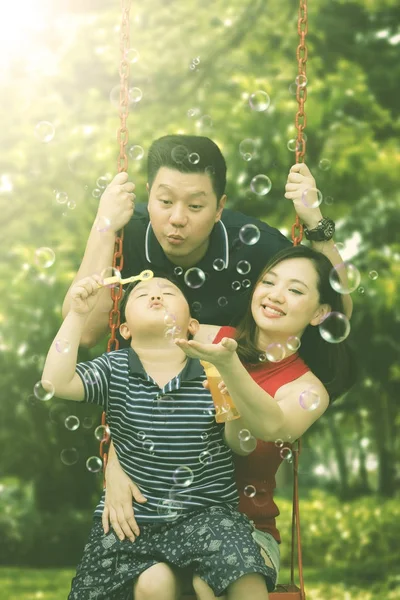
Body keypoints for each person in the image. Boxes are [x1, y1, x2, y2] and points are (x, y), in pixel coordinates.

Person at [102, 244, 356, 600]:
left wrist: (230, 367)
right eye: (268, 282)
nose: (275, 296)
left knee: (215, 581)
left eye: (295, 290)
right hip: (171, 523)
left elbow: (271, 425)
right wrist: (115, 465)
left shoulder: (307, 389)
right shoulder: (202, 336)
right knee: (149, 583)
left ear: (319, 313)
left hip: (250, 529)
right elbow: (141, 396)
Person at [41, 272, 278, 600]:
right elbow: (56, 382)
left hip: (206, 513)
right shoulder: (114, 369)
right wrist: (77, 314)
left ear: (192, 326)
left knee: (243, 569)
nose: (155, 296)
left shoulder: (214, 371)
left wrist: (234, 409)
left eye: (168, 292)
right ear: (125, 329)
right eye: (141, 295)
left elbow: (238, 444)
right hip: (133, 518)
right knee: (126, 587)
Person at [61, 135, 352, 348]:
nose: (177, 218)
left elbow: (334, 313)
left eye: (195, 206)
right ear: (148, 196)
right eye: (164, 201)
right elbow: (83, 334)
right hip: (141, 408)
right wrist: (103, 227)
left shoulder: (256, 246)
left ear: (219, 208)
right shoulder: (123, 231)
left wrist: (315, 222)